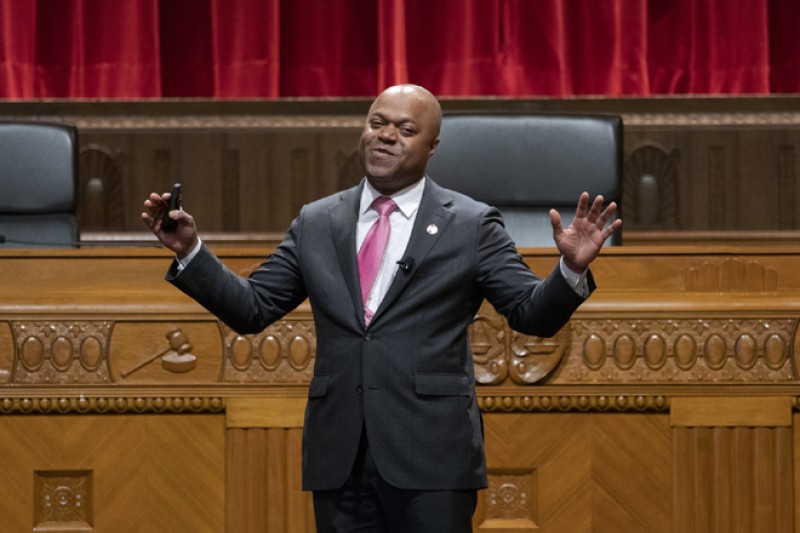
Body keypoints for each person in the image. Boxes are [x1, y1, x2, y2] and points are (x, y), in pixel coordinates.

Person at [142, 84, 621, 533]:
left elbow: (529, 314)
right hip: (340, 455)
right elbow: (253, 307)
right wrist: (190, 252)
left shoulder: (471, 224)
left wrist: (570, 271)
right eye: (377, 123)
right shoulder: (318, 221)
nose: (386, 136)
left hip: (433, 456)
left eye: (406, 130)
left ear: (432, 147)